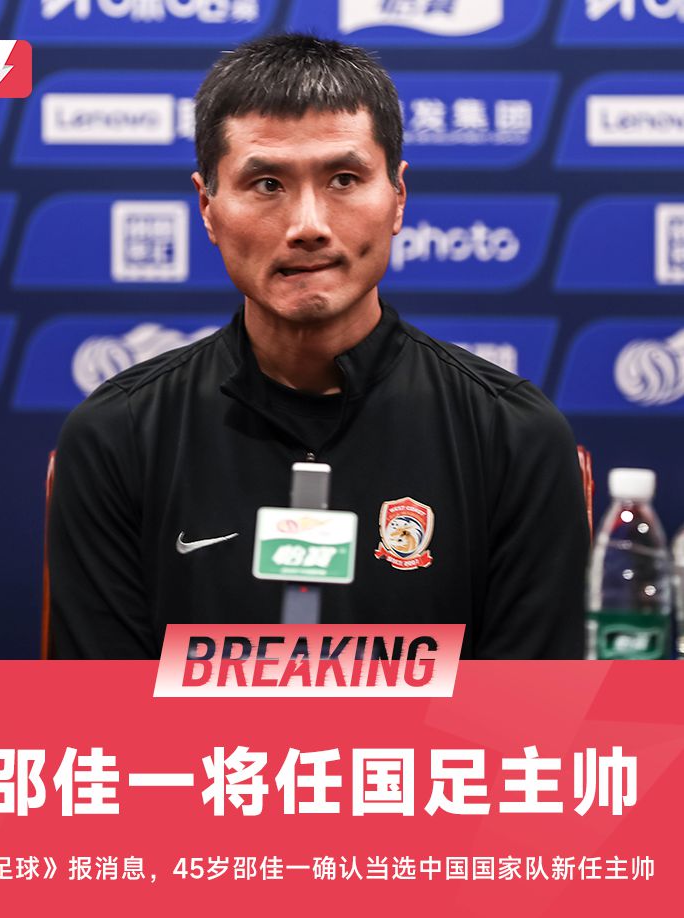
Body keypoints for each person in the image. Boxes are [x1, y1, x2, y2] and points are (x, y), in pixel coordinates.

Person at [48, 34, 589, 659]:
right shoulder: (118, 435)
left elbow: (533, 714)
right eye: (267, 184)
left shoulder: (512, 434)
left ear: (398, 198)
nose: (308, 225)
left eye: (343, 178)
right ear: (207, 207)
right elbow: (101, 712)